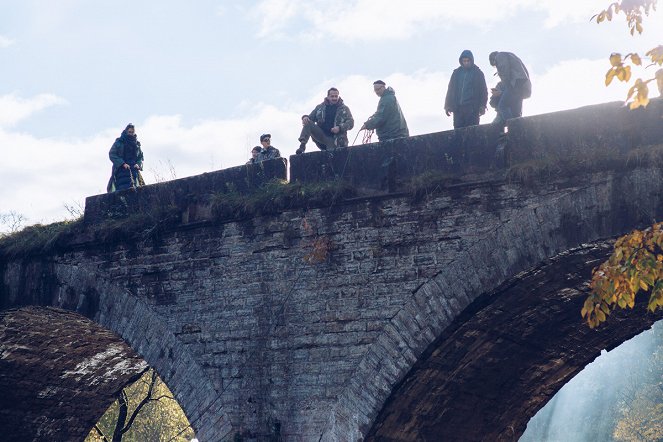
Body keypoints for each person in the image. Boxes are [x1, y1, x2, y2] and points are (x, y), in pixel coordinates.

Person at [296, 87, 355, 154]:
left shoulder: (344, 109)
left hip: (335, 140)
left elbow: (351, 122)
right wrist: (305, 117)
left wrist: (340, 128)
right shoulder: (320, 107)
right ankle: (302, 146)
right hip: (322, 135)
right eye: (332, 96)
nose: (334, 98)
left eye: (336, 96)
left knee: (331, 156)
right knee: (308, 122)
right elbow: (310, 118)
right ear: (328, 97)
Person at [444, 50, 488, 129]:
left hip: (472, 109)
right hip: (458, 109)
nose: (466, 63)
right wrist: (447, 106)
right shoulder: (456, 73)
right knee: (458, 134)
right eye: (464, 61)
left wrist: (483, 105)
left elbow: (483, 91)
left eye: (468, 61)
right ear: (461, 61)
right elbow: (450, 90)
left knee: (472, 133)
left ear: (471, 61)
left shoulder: (478, 73)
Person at [488, 51, 531, 125]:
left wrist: (505, 86)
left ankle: (513, 126)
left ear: (493, 59)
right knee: (516, 112)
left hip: (515, 84)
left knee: (502, 106)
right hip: (521, 84)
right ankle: (517, 127)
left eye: (495, 65)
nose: (496, 67)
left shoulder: (499, 56)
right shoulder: (510, 55)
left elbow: (505, 70)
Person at [107, 123, 144, 192]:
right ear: (126, 131)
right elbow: (112, 154)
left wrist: (138, 164)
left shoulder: (137, 144)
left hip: (134, 170)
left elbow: (140, 157)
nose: (131, 134)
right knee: (122, 190)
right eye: (129, 132)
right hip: (121, 170)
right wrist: (122, 163)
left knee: (136, 190)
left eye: (132, 132)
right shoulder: (119, 142)